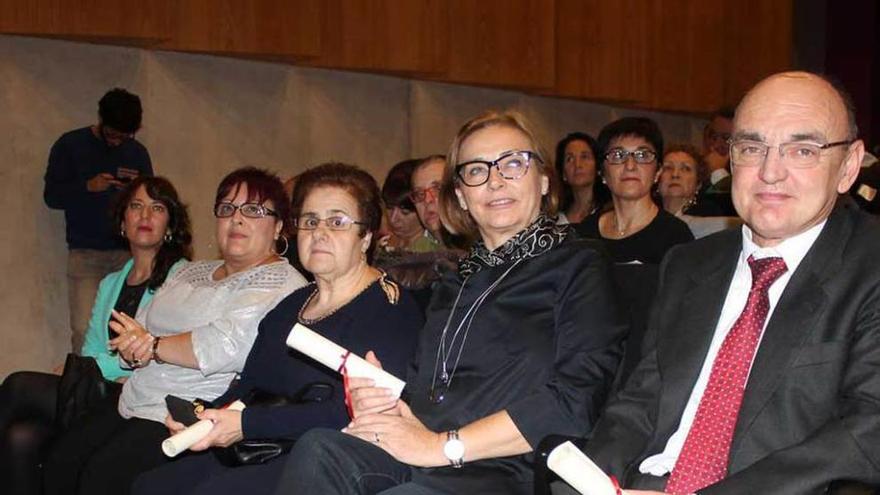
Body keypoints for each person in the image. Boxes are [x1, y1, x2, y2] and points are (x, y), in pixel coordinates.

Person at [555, 72, 880, 494]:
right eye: (751, 147)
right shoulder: (690, 264)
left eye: (802, 149)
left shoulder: (869, 265)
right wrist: (592, 484)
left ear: (849, 165)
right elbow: (639, 405)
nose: (770, 172)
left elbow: (867, 434)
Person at [274, 110, 626, 494]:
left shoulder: (578, 265)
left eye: (512, 164)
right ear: (460, 194)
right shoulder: (456, 280)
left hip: (506, 470)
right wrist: (384, 400)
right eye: (476, 171)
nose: (495, 182)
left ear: (542, 180)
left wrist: (444, 446)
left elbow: (577, 399)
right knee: (319, 449)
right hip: (431, 454)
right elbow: (427, 391)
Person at [131, 162, 423, 495]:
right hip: (260, 444)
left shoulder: (391, 309)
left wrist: (246, 425)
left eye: (337, 221)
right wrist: (204, 417)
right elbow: (249, 384)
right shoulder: (291, 305)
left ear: (366, 235)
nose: (319, 233)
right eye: (310, 221)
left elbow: (355, 413)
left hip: (329, 456)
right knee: (150, 485)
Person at [42, 167, 308, 495]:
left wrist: (152, 345)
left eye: (253, 210)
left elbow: (224, 345)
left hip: (190, 411)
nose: (236, 219)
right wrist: (133, 347)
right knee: (60, 460)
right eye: (226, 209)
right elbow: (142, 324)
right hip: (135, 396)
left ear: (279, 225)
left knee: (101, 477)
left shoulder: (283, 283)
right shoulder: (192, 272)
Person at [0, 176, 192, 495]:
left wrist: (86, 369)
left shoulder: (182, 278)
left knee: (20, 385)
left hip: (136, 398)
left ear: (170, 224)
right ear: (123, 221)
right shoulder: (110, 282)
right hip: (97, 390)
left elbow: (148, 352)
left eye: (157, 208)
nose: (145, 216)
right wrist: (87, 368)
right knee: (20, 437)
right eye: (136, 206)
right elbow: (92, 348)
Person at [44, 88, 154, 353]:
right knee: (84, 328)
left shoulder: (137, 152)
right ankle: (83, 388)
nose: (118, 142)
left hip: (129, 255)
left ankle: (120, 388)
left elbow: (152, 199)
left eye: (125, 136)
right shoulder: (70, 145)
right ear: (101, 121)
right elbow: (51, 196)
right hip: (86, 253)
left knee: (131, 327)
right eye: (113, 134)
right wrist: (86, 187)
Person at [574, 117, 694, 264]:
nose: (630, 165)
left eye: (642, 155)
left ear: (658, 171)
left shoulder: (675, 236)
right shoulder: (584, 235)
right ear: (602, 173)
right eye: (618, 155)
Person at [377, 159, 432, 253]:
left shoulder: (433, 252)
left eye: (405, 212)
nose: (393, 219)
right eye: (389, 208)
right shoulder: (381, 244)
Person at [555, 132, 608, 224]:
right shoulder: (555, 218)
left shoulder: (610, 211)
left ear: (597, 166)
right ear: (563, 173)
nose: (577, 165)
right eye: (569, 159)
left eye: (584, 157)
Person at [696, 107, 736, 215]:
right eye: (713, 137)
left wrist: (718, 171)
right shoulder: (700, 168)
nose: (717, 144)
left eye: (726, 138)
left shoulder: (748, 173)